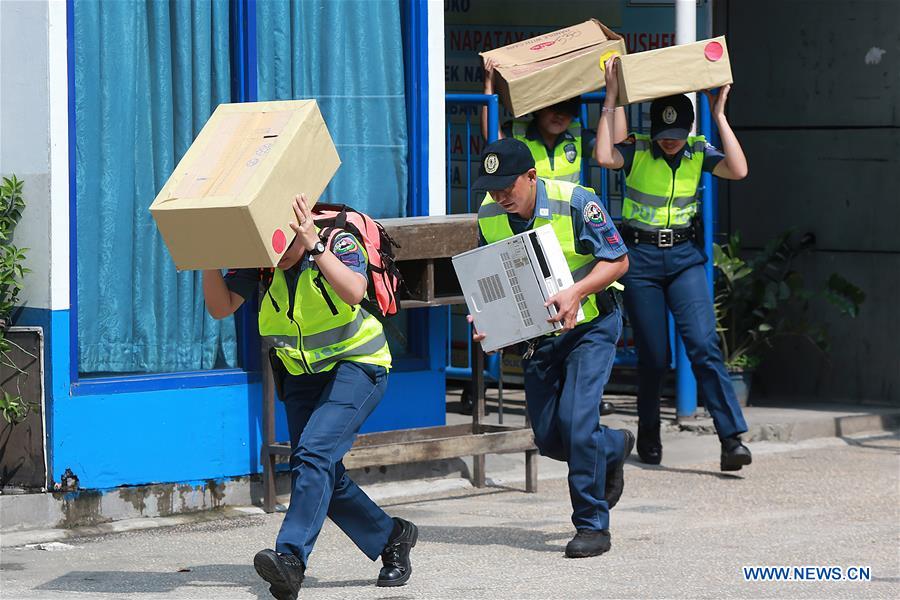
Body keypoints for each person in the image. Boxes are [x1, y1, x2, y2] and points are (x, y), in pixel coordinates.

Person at [202, 194, 417, 600]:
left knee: (314, 456)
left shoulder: (337, 240)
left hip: (359, 365)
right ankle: (393, 536)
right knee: (320, 473)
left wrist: (314, 244)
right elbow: (220, 306)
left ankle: (290, 560)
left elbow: (355, 290)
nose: (276, 257)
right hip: (301, 374)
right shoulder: (262, 258)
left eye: (283, 246)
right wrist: (207, 258)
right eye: (269, 248)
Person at [470, 137, 634, 558]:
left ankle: (592, 526)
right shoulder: (489, 215)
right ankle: (612, 447)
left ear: (531, 176)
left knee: (577, 424)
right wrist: (488, 320)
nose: (500, 195)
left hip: (591, 326)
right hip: (539, 338)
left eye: (508, 185)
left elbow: (618, 260)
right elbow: (494, 277)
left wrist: (577, 292)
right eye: (492, 187)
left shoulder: (576, 201)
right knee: (549, 439)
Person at [595, 57, 752, 471]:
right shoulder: (637, 150)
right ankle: (649, 433)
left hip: (683, 258)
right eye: (664, 135)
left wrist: (718, 114)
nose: (670, 141)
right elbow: (603, 155)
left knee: (703, 346)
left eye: (677, 135)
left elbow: (739, 169)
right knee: (654, 355)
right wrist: (612, 97)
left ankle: (731, 438)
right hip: (641, 260)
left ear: (687, 130)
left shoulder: (698, 151)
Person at [482, 55, 627, 415]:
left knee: (577, 419)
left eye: (567, 109)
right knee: (551, 431)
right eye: (552, 107)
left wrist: (614, 92)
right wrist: (489, 88)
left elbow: (616, 141)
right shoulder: (518, 139)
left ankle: (585, 421)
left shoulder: (575, 136)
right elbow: (491, 145)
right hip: (529, 234)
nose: (559, 115)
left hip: (568, 233)